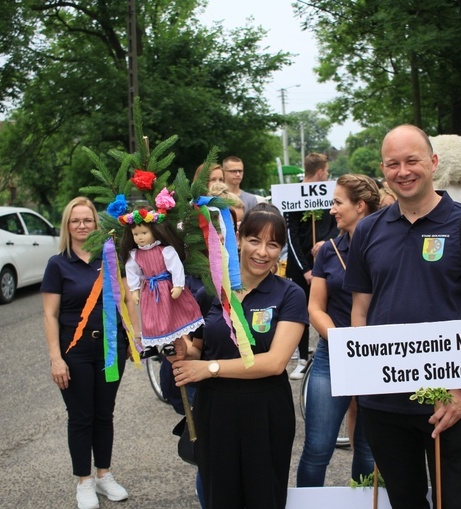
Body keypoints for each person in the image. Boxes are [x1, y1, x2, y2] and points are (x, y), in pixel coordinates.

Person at [344, 125, 461, 509]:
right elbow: (360, 310)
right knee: (405, 501)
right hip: (384, 401)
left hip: (448, 398)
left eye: (412, 160)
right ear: (383, 170)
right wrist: (363, 379)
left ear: (432, 162)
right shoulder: (367, 230)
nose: (403, 171)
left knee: (454, 501)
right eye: (393, 164)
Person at [171, 203, 308, 509]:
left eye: (273, 244)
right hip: (215, 411)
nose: (262, 252)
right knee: (221, 496)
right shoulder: (213, 290)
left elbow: (274, 363)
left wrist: (209, 368)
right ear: (239, 238)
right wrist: (181, 348)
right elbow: (197, 348)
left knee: (264, 496)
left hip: (266, 411)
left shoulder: (289, 294)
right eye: (255, 240)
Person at [42, 197, 136, 509]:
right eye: (75, 221)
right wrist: (56, 358)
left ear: (96, 224)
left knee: (104, 414)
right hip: (76, 352)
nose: (82, 226)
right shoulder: (58, 265)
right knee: (81, 417)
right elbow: (50, 315)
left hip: (110, 349)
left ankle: (104, 475)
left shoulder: (109, 257)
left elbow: (126, 300)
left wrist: (134, 339)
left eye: (88, 220)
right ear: (67, 226)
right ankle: (83, 481)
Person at [297, 174, 379, 487]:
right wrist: (341, 341)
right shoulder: (329, 251)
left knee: (370, 450)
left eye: (337, 202)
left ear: (360, 206)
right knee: (317, 449)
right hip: (333, 357)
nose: (331, 209)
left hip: (378, 356)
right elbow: (315, 307)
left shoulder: (388, 248)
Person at [118, 204, 204, 349]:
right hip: (149, 290)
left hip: (165, 286)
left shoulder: (165, 250)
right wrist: (134, 289)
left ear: (154, 231)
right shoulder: (135, 255)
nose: (139, 238)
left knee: (169, 315)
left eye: (144, 233)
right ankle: (151, 343)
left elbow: (176, 267)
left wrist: (178, 285)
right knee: (150, 317)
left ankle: (170, 342)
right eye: (136, 234)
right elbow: (132, 272)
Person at [285, 152, 339, 380]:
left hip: (326, 262)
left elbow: (337, 222)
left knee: (326, 309)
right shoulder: (292, 195)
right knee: (300, 312)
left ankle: (330, 354)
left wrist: (327, 242)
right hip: (301, 268)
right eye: (325, 171)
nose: (327, 175)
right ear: (319, 171)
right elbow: (291, 235)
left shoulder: (331, 194)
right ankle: (303, 358)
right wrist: (306, 269)